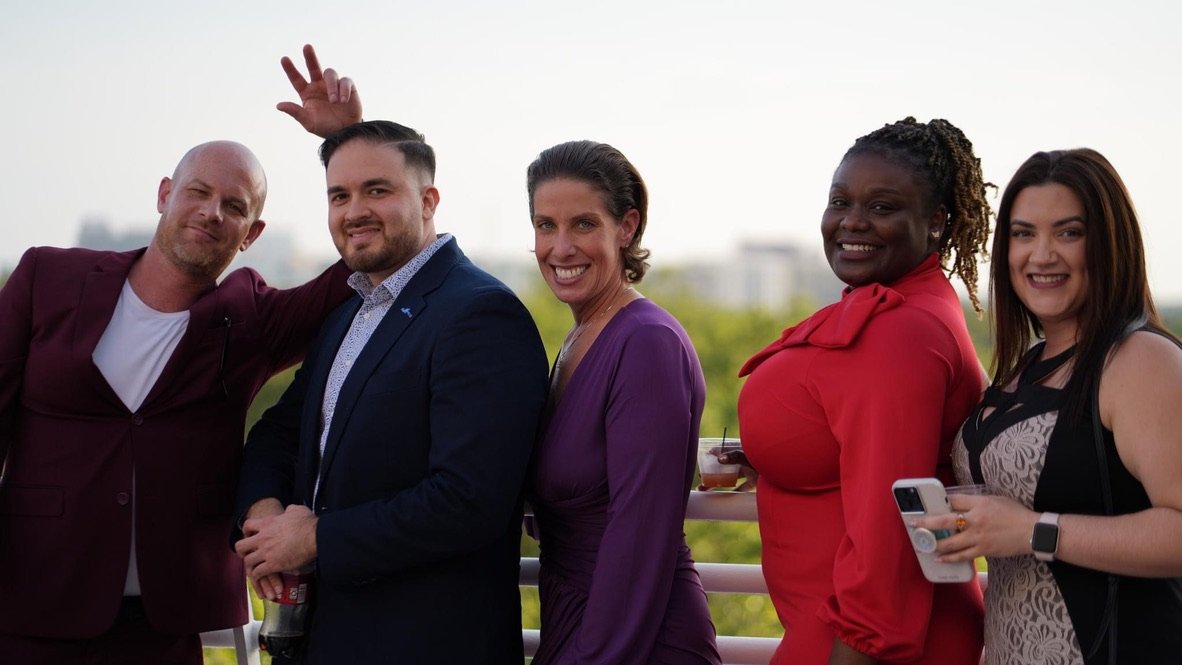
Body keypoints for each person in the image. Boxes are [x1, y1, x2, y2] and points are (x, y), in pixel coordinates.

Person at [0, 46, 359, 665]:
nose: (210, 212)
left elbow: (372, 252)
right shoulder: (47, 276)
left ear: (252, 233)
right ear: (165, 193)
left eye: (235, 206)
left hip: (167, 622)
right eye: (197, 191)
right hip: (33, 599)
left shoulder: (255, 318)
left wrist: (351, 140)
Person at [232, 120, 550, 663]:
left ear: (428, 200)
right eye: (339, 195)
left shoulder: (480, 314)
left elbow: (468, 501)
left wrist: (315, 539)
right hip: (328, 639)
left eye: (377, 190)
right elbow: (277, 435)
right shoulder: (350, 311)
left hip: (428, 645)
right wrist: (268, 523)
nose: (354, 210)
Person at [733, 117, 993, 664]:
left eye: (882, 207)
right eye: (839, 201)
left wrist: (858, 649)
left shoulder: (903, 330)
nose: (852, 222)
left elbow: (888, 528)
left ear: (937, 222)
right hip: (841, 627)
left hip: (862, 641)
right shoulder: (902, 304)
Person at [916, 148, 1182, 664]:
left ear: (1109, 244)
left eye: (1068, 233)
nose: (1041, 255)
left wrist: (1033, 530)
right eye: (1023, 234)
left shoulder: (1139, 359)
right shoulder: (1029, 363)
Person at [523, 140, 722, 664]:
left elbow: (640, 535)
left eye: (583, 224)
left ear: (627, 227)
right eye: (546, 225)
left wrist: (595, 656)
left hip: (637, 636)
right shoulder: (575, 340)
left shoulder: (646, 344)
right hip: (575, 615)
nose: (560, 248)